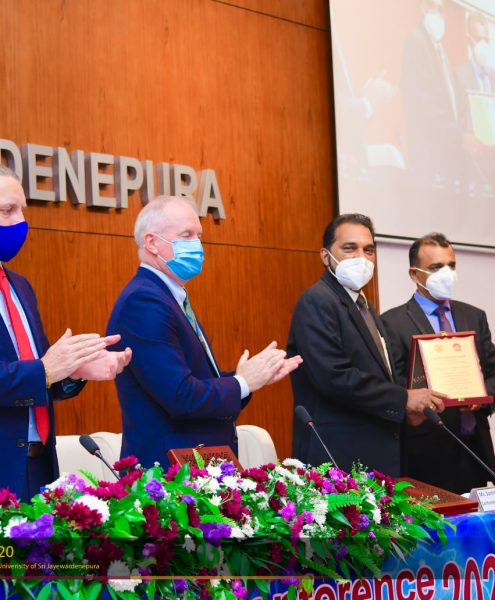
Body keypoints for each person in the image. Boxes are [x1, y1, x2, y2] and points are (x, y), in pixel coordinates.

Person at [106, 196, 302, 468]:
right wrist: (242, 382)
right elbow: (180, 396)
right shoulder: (144, 302)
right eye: (186, 235)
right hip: (165, 474)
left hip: (192, 467)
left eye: (199, 236)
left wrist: (251, 377)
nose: (197, 245)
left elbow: (194, 382)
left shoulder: (169, 296)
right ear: (151, 243)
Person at [0, 165, 132, 500]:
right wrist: (46, 370)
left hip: (38, 465)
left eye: (22, 209)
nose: (20, 222)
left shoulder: (20, 287)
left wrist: (74, 370)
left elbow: (40, 376)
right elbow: (40, 370)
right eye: (7, 210)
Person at [287, 213, 444, 475]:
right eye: (350, 248)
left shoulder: (364, 305)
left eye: (368, 250)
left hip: (375, 454)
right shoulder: (317, 301)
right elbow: (334, 377)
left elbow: (381, 373)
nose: (362, 257)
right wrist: (403, 399)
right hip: (338, 459)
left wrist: (406, 410)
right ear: (326, 256)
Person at [381, 233, 495, 493]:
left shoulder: (474, 316)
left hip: (473, 446)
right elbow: (393, 383)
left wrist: (481, 396)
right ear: (414, 274)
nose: (447, 274)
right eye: (436, 267)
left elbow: (492, 372)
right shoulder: (392, 322)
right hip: (426, 450)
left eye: (451, 265)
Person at [400, 0, 464, 187]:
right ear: (421, 6)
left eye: (440, 9)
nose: (436, 14)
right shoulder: (416, 41)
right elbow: (422, 100)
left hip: (446, 147)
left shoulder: (440, 48)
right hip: (427, 147)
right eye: (431, 6)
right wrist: (455, 134)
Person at [455, 11, 495, 190]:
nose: (483, 44)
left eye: (486, 39)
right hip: (473, 164)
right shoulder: (459, 76)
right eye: (479, 39)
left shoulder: (494, 76)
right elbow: (458, 120)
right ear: (469, 40)